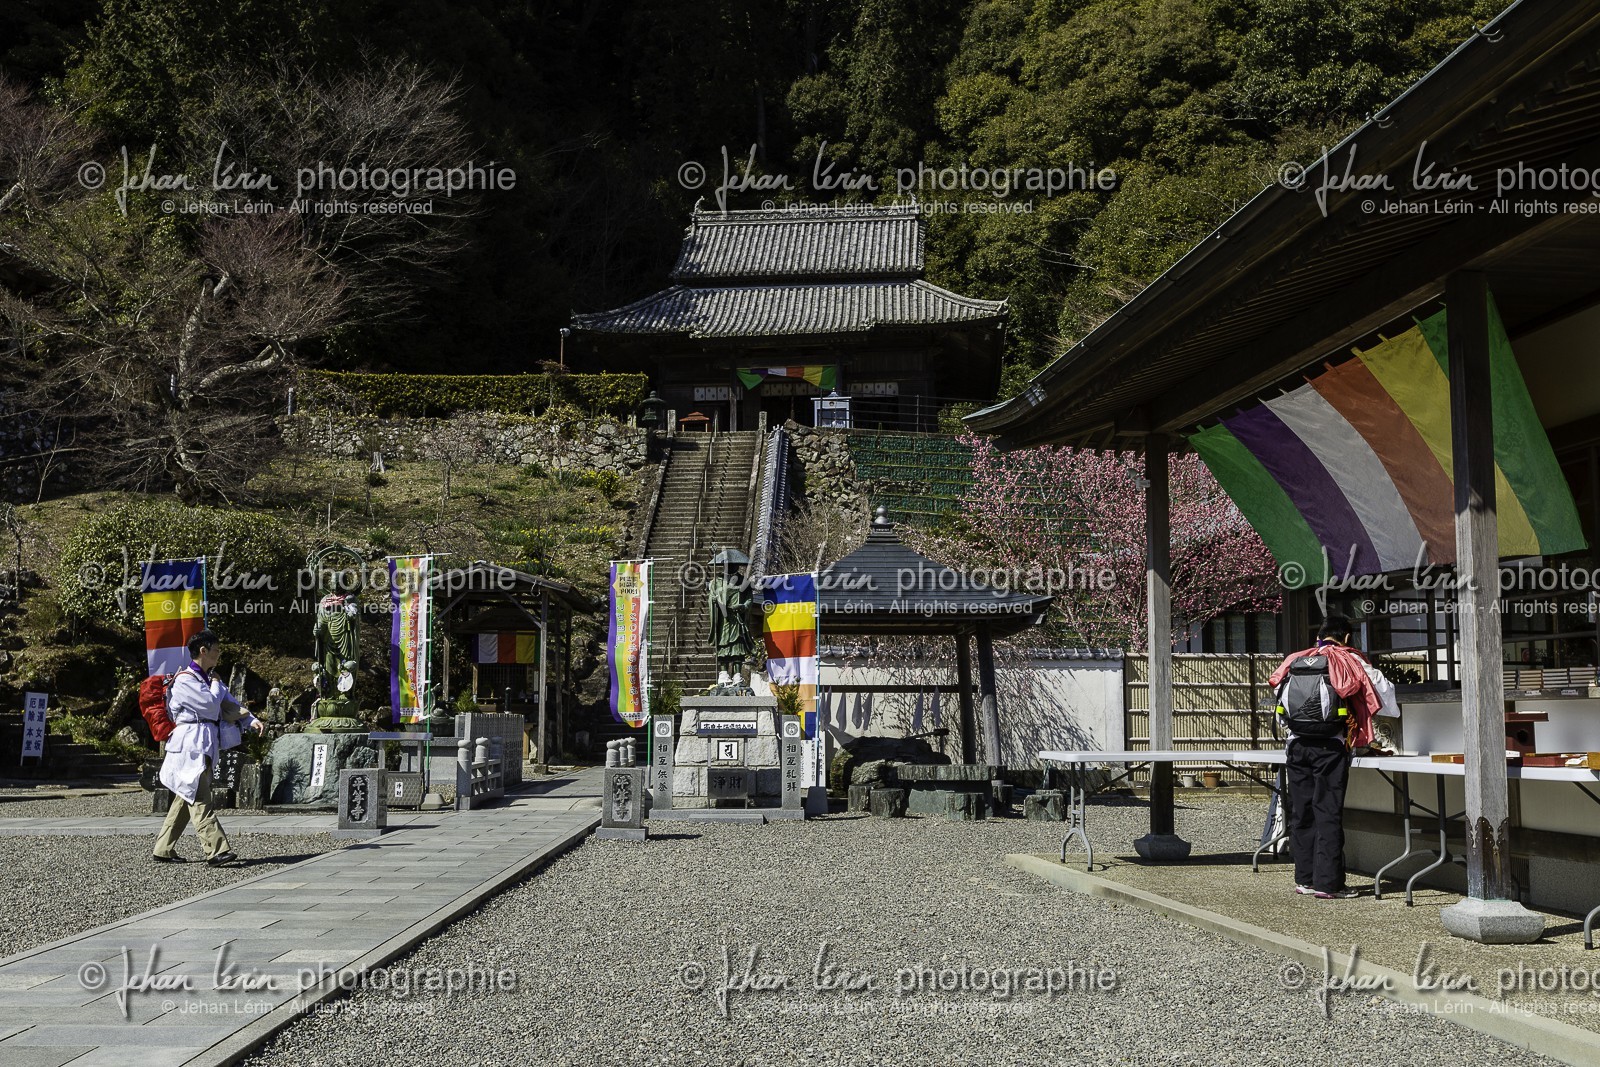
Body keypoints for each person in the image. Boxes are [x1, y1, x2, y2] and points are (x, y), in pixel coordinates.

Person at [1268, 614, 1381, 899]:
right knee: (1327, 812)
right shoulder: (1348, 660)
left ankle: (1304, 879)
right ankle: (1329, 884)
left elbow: (1279, 698)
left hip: (1296, 745)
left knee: (1302, 811)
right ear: (1346, 637)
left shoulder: (1297, 661)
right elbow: (1383, 698)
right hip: (1329, 746)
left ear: (1319, 634)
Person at [153, 629, 265, 866]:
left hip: (202, 743)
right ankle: (216, 850)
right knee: (199, 796)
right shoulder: (184, 680)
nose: (218, 654)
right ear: (202, 651)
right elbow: (211, 705)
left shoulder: (208, 679)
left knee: (186, 796)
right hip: (189, 745)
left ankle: (163, 848)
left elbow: (229, 704)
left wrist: (250, 720)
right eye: (215, 650)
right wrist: (215, 684)